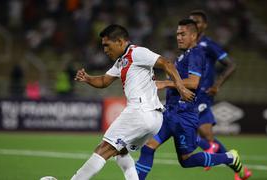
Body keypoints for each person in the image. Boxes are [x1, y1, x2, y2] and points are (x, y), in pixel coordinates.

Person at [71, 24, 194, 180]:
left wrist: (181, 88)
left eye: (107, 45)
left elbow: (166, 63)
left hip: (139, 112)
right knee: (121, 152)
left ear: (121, 41)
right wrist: (88, 78)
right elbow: (103, 81)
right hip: (153, 119)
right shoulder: (121, 61)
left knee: (104, 149)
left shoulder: (137, 52)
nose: (105, 50)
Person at [136, 19, 244, 180]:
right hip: (170, 112)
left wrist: (165, 83)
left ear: (193, 36)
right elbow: (179, 80)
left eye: (183, 34)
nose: (179, 37)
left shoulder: (196, 54)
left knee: (186, 161)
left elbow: (194, 82)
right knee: (148, 148)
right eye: (178, 34)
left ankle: (229, 157)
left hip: (183, 116)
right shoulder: (183, 56)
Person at [189, 10, 251, 180]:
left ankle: (211, 148)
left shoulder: (208, 44)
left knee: (184, 129)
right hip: (191, 94)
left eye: (197, 22)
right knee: (206, 136)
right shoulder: (188, 44)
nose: (194, 24)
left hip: (203, 94)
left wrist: (217, 84)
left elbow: (231, 64)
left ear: (205, 25)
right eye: (191, 21)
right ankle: (242, 170)